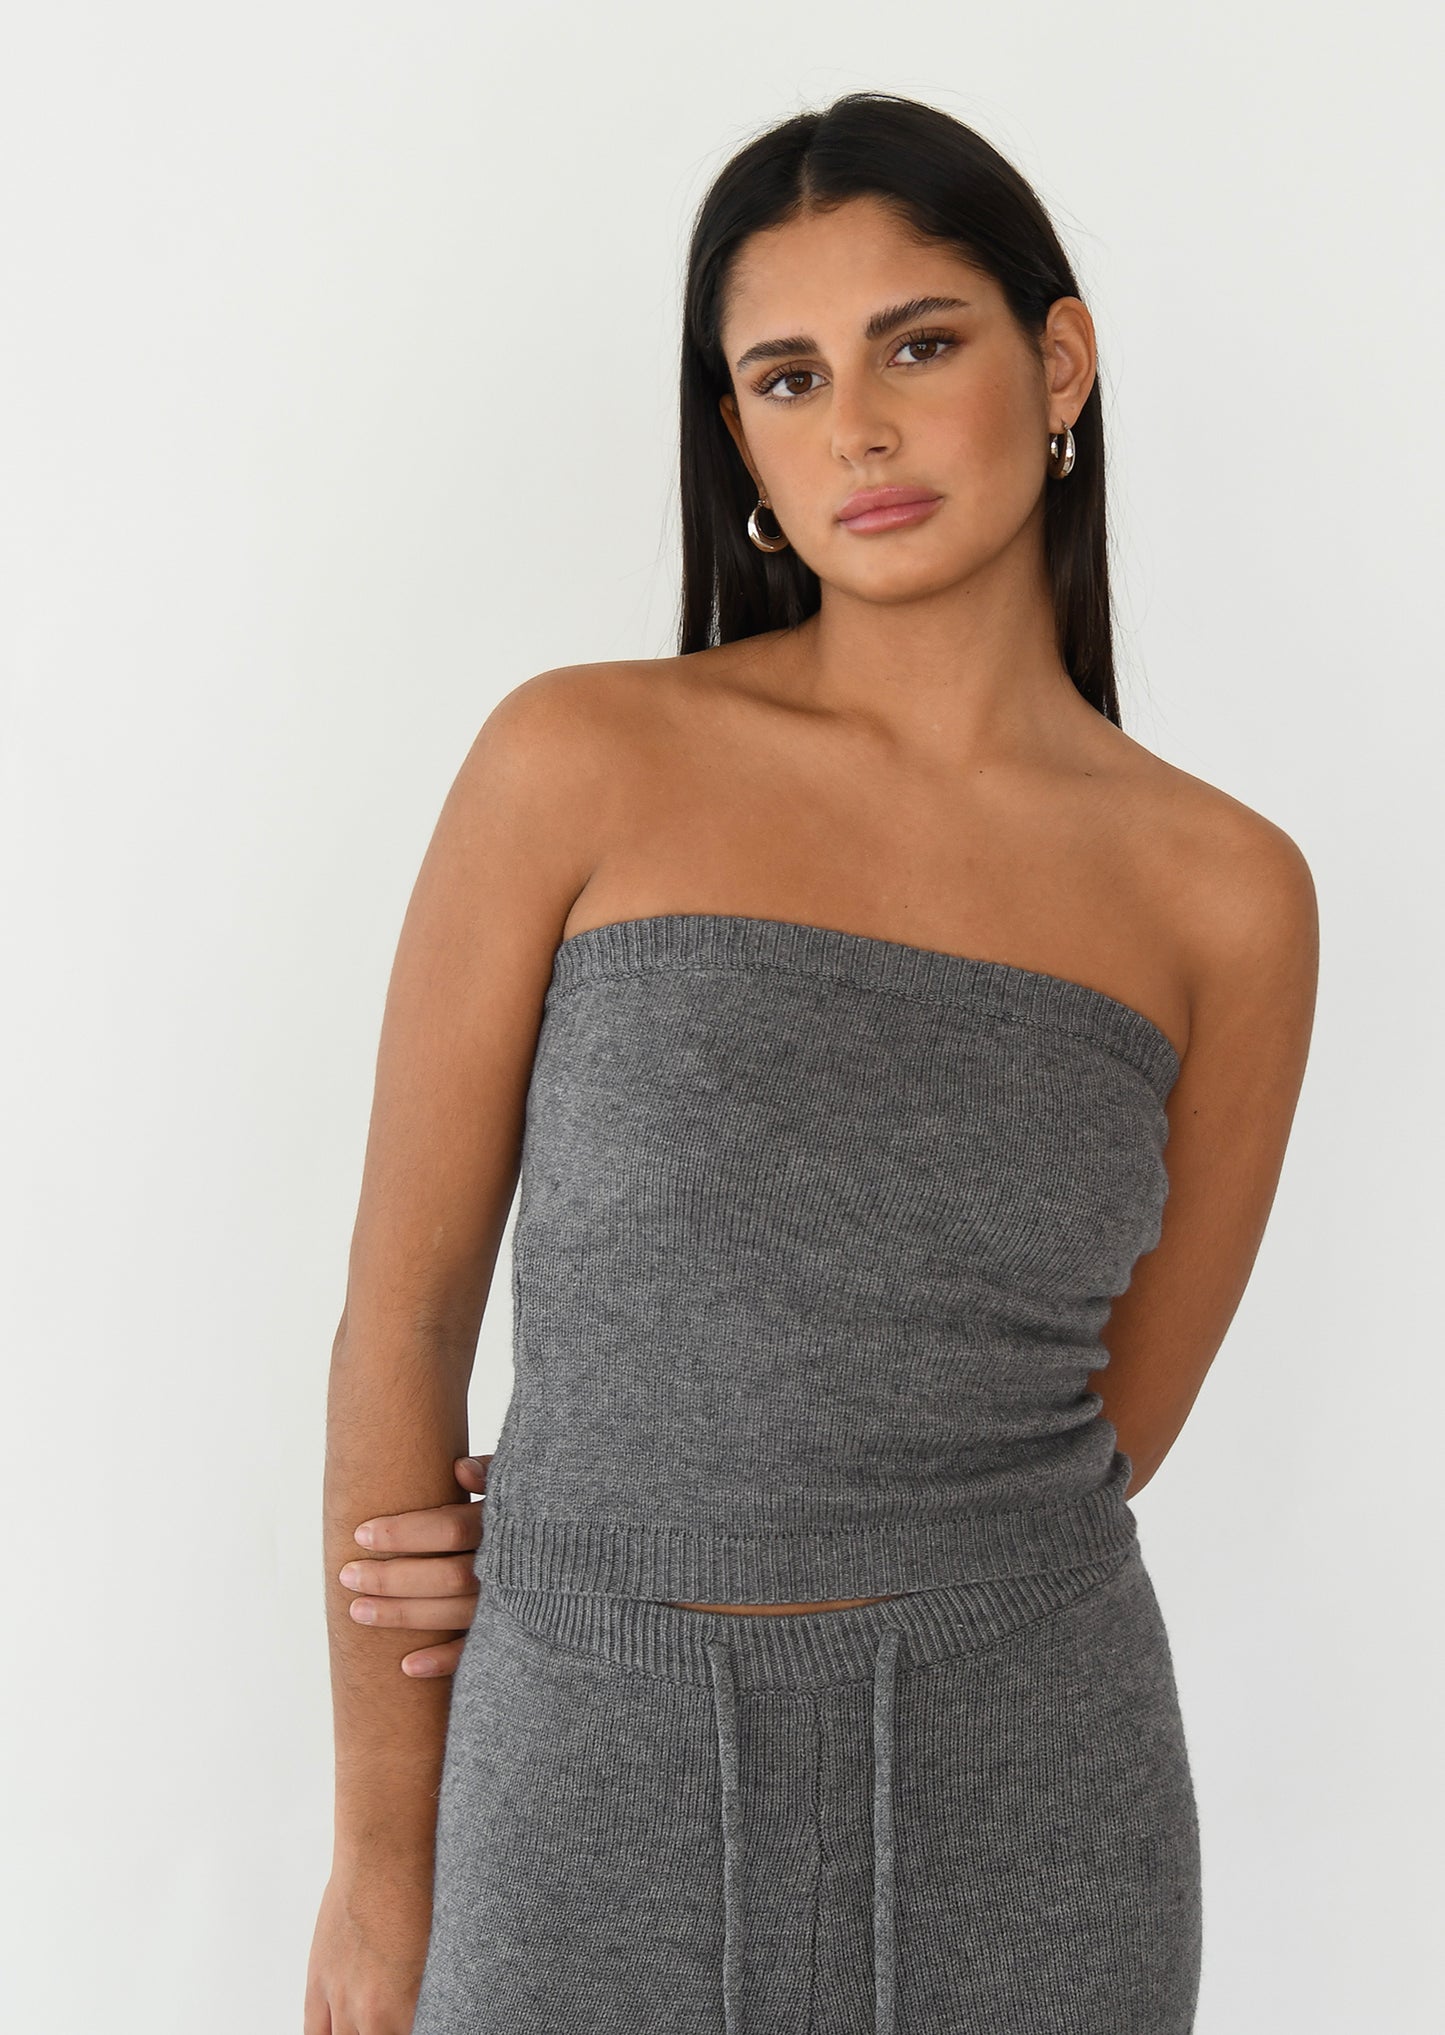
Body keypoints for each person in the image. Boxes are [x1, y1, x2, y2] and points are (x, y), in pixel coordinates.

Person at [306, 90, 1317, 2035]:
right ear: (741, 440)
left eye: (916, 345)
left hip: (1030, 1792)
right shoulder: (577, 764)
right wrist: (379, 1854)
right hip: (581, 1776)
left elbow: (1116, 1424)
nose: (855, 425)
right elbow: (400, 1321)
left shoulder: (1225, 893)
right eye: (787, 376)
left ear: (1059, 363)